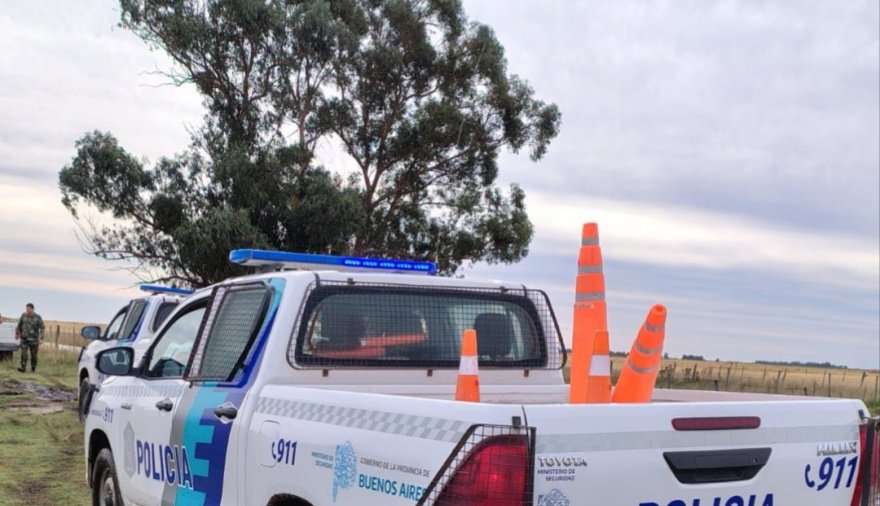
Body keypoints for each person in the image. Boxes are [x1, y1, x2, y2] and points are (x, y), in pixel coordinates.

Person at [15, 303, 44, 373]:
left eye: (28, 309)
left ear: (32, 309)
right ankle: (23, 367)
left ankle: (33, 368)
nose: (27, 310)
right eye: (26, 309)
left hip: (34, 340)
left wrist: (41, 338)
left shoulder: (38, 317)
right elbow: (19, 325)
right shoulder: (23, 315)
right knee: (23, 354)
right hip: (24, 339)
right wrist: (17, 333)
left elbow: (42, 328)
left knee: (34, 355)